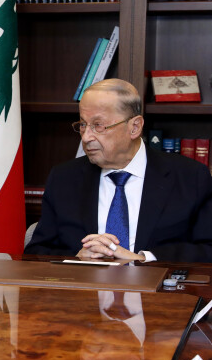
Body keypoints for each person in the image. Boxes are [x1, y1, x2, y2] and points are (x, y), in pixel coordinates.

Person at [25, 78, 212, 262]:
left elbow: (207, 249)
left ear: (134, 127)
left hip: (155, 281)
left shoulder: (190, 177)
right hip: (84, 281)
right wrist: (77, 259)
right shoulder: (63, 178)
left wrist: (143, 258)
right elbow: (36, 253)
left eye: (98, 126)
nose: (86, 137)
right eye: (82, 125)